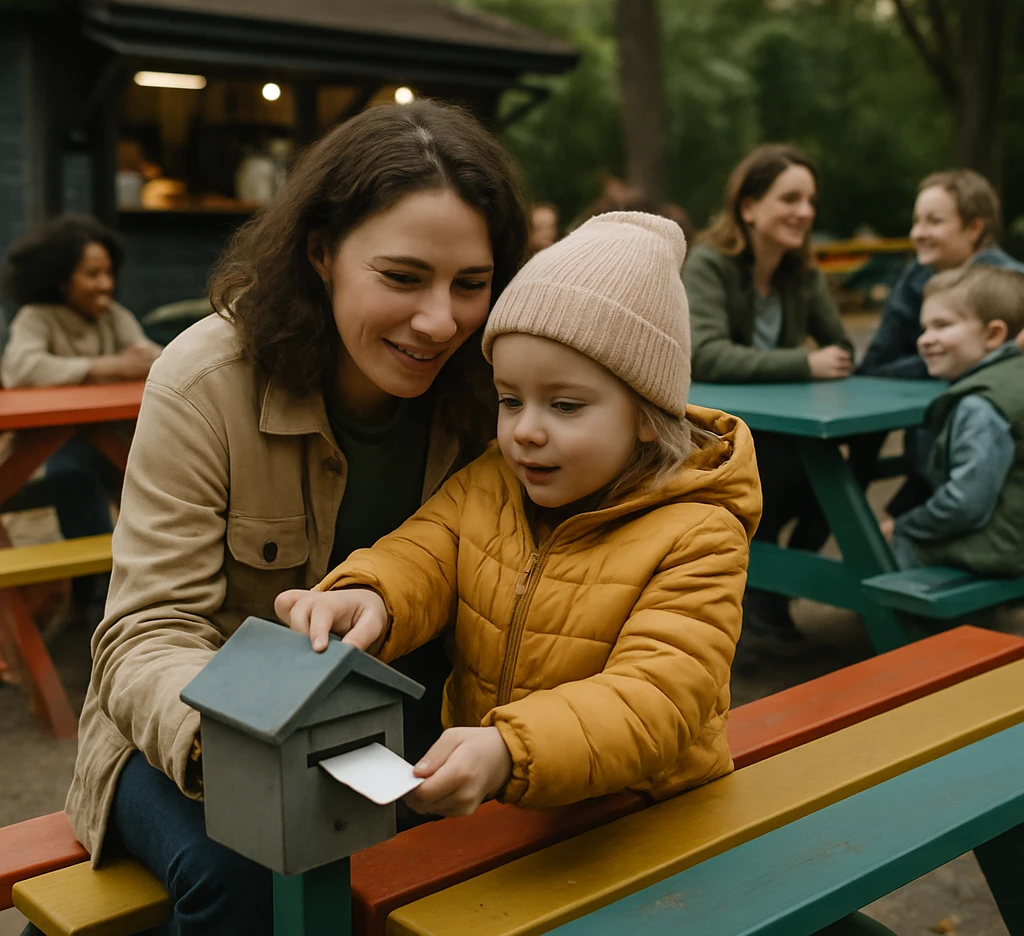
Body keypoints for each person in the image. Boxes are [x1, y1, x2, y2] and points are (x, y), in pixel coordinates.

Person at [51, 101, 527, 936]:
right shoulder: (203, 382)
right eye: (403, 277)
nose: (440, 320)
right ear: (320, 253)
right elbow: (145, 632)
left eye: (472, 285)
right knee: (258, 866)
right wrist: (237, 742)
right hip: (185, 734)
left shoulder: (498, 388)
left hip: (401, 727)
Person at [279, 211, 760, 816]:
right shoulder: (492, 482)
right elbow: (422, 554)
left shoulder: (699, 532)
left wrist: (512, 747)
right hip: (505, 800)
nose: (526, 431)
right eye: (510, 400)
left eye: (564, 404)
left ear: (645, 414)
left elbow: (656, 698)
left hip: (639, 818)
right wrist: (370, 596)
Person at [683, 144, 853, 653]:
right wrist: (802, 364)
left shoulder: (802, 271)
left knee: (846, 469)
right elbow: (707, 355)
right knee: (790, 474)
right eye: (790, 198)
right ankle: (763, 588)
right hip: (721, 433)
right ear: (750, 206)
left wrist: (825, 358)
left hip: (786, 426)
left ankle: (773, 583)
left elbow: (839, 344)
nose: (804, 212)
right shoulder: (709, 265)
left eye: (810, 201)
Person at [0, 215, 161, 617]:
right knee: (72, 473)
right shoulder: (36, 318)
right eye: (92, 274)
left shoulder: (115, 316)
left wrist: (133, 362)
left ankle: (145, 584)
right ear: (60, 278)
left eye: (108, 272)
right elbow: (20, 370)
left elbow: (156, 358)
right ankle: (99, 594)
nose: (105, 284)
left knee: (162, 472)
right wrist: (105, 367)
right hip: (44, 451)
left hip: (117, 441)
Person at [882, 265, 1024, 577]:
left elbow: (966, 505)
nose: (925, 340)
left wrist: (906, 524)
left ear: (993, 334)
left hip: (1004, 550)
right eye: (924, 328)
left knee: (892, 543)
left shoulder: (980, 405)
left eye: (942, 325)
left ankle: (913, 625)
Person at [859, 170, 1023, 379]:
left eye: (934, 221)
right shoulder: (918, 275)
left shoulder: (1012, 284)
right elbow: (877, 361)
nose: (917, 234)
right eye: (916, 221)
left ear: (974, 228)